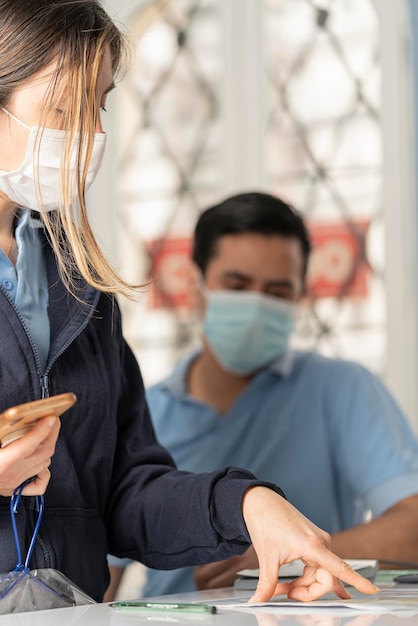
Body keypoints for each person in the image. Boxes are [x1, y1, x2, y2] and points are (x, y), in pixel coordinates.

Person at [0, 0, 380, 609]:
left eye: (99, 104)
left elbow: (124, 492)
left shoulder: (80, 282)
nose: (93, 135)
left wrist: (247, 504)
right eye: (65, 108)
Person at [107, 191, 418, 599]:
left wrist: (293, 553)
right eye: (237, 286)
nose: (255, 305)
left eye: (276, 292)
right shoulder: (140, 412)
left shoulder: (341, 389)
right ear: (195, 282)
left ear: (299, 296)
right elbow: (99, 575)